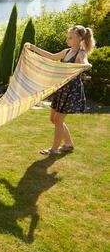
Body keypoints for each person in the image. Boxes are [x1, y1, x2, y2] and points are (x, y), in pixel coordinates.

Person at [25, 25, 94, 155]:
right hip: (61, 88)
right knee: (53, 118)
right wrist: (33, 48)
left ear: (80, 38)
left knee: (58, 120)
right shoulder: (66, 52)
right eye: (68, 37)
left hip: (72, 91)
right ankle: (68, 144)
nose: (68, 40)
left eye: (71, 37)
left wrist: (87, 65)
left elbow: (85, 61)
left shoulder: (81, 53)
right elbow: (51, 56)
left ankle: (54, 149)